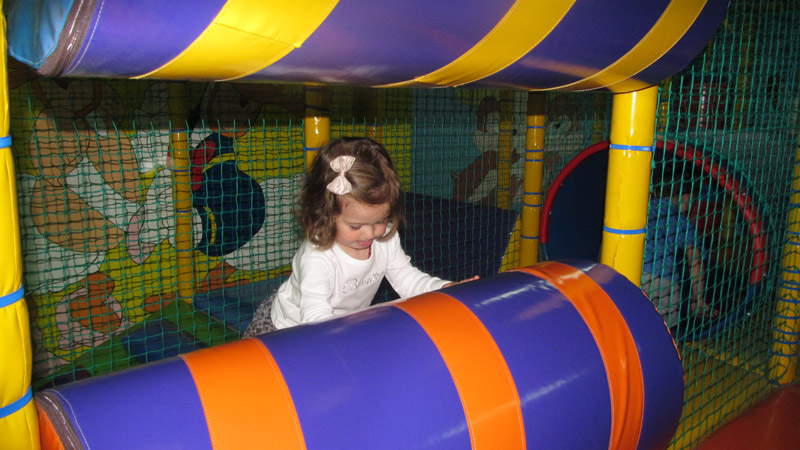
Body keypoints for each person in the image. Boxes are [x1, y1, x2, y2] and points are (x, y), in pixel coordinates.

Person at [244, 137, 477, 336]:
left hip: (338, 324)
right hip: (285, 327)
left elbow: (407, 280)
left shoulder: (385, 238)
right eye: (355, 226)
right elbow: (315, 318)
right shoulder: (318, 257)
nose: (370, 234)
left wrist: (445, 289)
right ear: (325, 215)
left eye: (380, 221)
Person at [642, 178, 717, 329]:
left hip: (628, 272)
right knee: (663, 329)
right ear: (687, 197)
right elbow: (695, 261)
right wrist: (698, 300)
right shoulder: (682, 222)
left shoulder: (643, 207)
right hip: (660, 278)